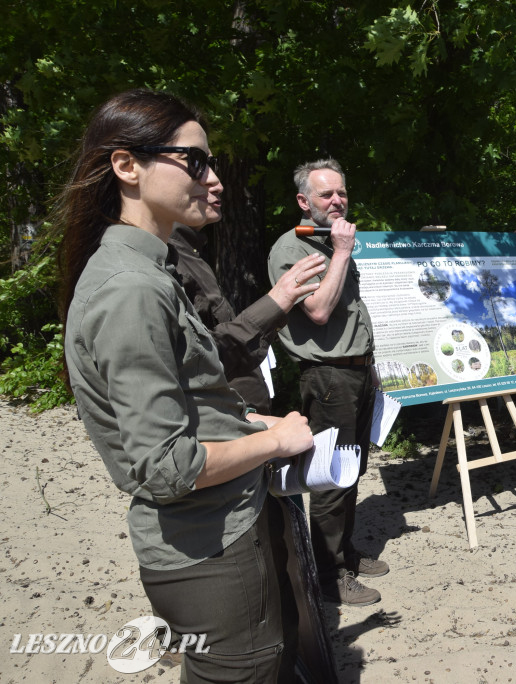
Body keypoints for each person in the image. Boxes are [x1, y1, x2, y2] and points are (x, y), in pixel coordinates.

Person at [59, 89, 314, 682]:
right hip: (210, 546)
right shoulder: (133, 289)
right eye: (195, 162)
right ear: (127, 166)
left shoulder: (150, 271)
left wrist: (254, 423)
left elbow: (187, 407)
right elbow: (167, 465)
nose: (213, 177)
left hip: (216, 532)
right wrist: (277, 443)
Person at [267, 158, 387, 607]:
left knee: (353, 469)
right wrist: (339, 252)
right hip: (328, 377)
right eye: (325, 195)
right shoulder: (292, 249)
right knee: (332, 477)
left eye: (341, 193)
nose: (336, 201)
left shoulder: (337, 242)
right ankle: (329, 574)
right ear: (304, 201)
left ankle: (345, 552)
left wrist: (370, 362)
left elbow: (355, 315)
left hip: (356, 371)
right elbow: (316, 310)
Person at [168, 223, 326, 413]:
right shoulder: (167, 258)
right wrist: (273, 304)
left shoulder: (190, 253)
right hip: (228, 423)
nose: (217, 191)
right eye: (326, 195)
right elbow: (196, 360)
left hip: (242, 417)